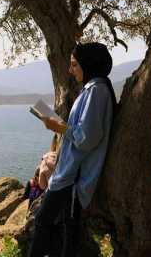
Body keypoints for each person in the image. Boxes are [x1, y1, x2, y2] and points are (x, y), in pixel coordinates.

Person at [29, 42, 116, 257]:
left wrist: (58, 126)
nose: (70, 70)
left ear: (88, 64)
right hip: (70, 174)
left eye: (74, 65)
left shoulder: (97, 92)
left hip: (72, 177)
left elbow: (87, 138)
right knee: (68, 229)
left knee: (44, 222)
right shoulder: (94, 90)